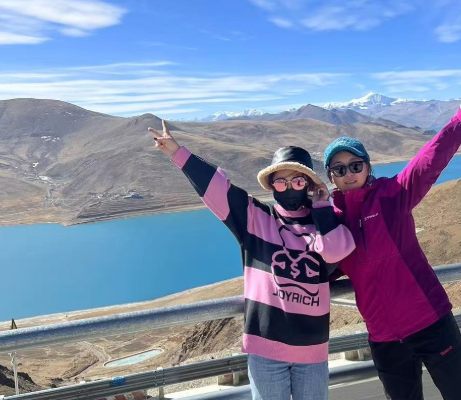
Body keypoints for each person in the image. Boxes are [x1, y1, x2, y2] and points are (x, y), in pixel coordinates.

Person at [148, 121, 355, 400]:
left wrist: (321, 206)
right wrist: (177, 152)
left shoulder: (325, 223)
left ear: (309, 184)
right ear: (271, 186)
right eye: (281, 181)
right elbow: (217, 187)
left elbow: (336, 252)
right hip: (265, 351)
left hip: (312, 351)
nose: (289, 187)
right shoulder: (255, 219)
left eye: (297, 181)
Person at [323, 90, 461, 400]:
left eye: (355, 165)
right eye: (339, 169)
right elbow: (320, 268)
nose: (348, 174)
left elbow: (428, 162)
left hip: (431, 322)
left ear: (368, 167)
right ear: (331, 177)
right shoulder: (334, 224)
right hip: (385, 338)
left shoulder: (392, 195)